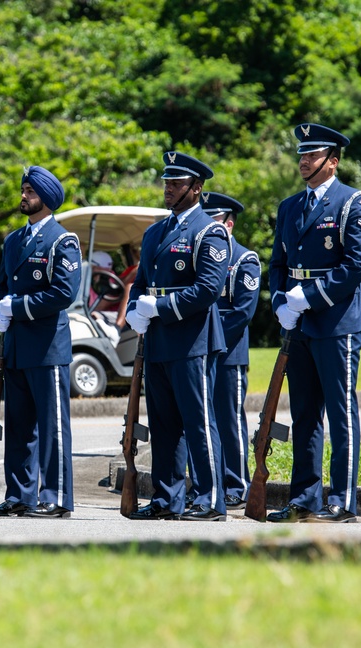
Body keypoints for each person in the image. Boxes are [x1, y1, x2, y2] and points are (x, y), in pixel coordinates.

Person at [267, 123, 361, 523]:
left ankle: (342, 501)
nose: (303, 161)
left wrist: (307, 297)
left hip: (337, 320)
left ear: (332, 162)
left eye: (311, 156)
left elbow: (355, 266)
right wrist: (281, 300)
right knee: (305, 414)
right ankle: (304, 500)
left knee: (340, 411)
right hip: (297, 323)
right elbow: (277, 263)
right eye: (301, 154)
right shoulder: (290, 207)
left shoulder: (355, 203)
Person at [124, 152, 229, 521]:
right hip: (158, 342)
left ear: (197, 188)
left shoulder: (209, 230)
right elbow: (140, 283)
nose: (168, 189)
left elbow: (208, 289)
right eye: (166, 182)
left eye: (177, 183)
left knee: (198, 421)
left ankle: (210, 498)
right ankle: (167, 499)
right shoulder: (156, 231)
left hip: (192, 340)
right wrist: (134, 309)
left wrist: (161, 308)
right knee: (164, 424)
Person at [0, 166, 81, 518]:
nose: (23, 196)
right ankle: (20, 495)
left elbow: (63, 292)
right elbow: (1, 288)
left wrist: (18, 307)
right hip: (17, 347)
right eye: (23, 189)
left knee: (53, 427)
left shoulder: (62, 240)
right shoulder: (14, 241)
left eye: (30, 191)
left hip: (47, 347)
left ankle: (56, 497)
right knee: (19, 426)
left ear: (46, 197)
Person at [201, 192, 260, 509]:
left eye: (214, 221)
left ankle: (236, 484)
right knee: (202, 421)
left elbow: (242, 312)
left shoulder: (243, 260)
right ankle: (208, 484)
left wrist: (205, 338)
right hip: (199, 353)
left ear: (229, 224)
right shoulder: (201, 257)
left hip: (228, 354)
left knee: (229, 421)